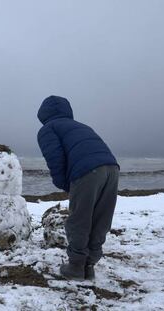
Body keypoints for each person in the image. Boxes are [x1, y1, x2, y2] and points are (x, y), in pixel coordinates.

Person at [37, 95, 119, 281]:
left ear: (43, 114)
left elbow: (55, 159)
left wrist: (65, 184)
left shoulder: (48, 129)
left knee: (79, 219)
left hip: (87, 171)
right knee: (101, 219)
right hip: (112, 168)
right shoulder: (82, 126)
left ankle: (75, 266)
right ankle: (88, 266)